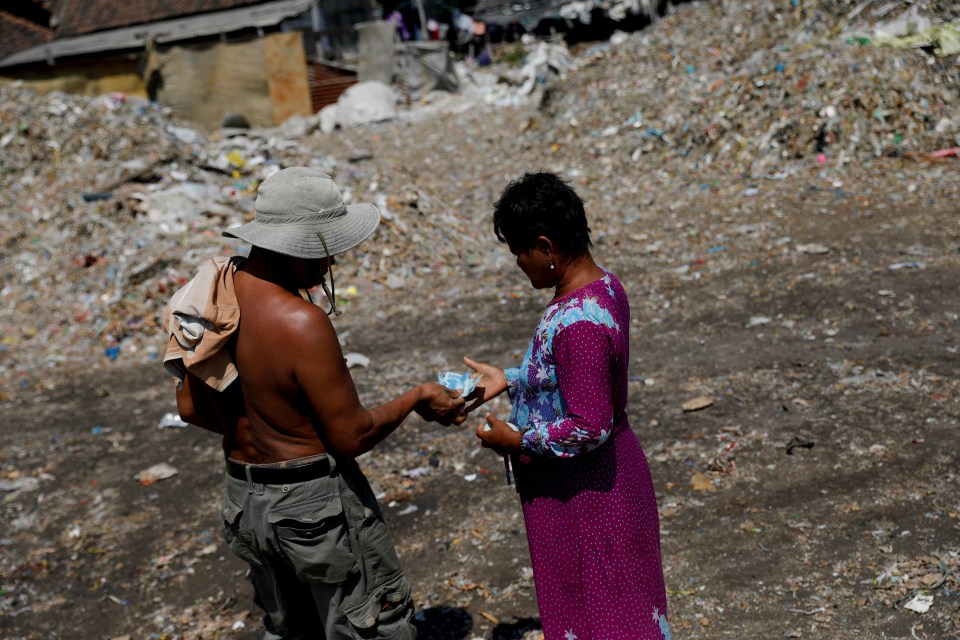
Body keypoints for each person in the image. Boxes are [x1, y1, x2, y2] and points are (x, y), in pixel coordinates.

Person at [164, 167, 466, 639]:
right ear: (295, 245)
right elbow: (350, 436)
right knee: (366, 625)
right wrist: (416, 397)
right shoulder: (301, 322)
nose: (329, 263)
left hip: (244, 502)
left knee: (289, 628)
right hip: (313, 508)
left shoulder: (208, 299)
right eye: (323, 250)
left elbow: (190, 410)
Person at [463, 171, 671, 639]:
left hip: (590, 496)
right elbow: (577, 380)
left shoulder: (577, 321)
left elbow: (589, 423)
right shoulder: (605, 288)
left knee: (606, 613)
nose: (518, 262)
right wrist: (510, 380)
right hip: (603, 482)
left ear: (547, 247)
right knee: (615, 606)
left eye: (520, 251)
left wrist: (517, 440)